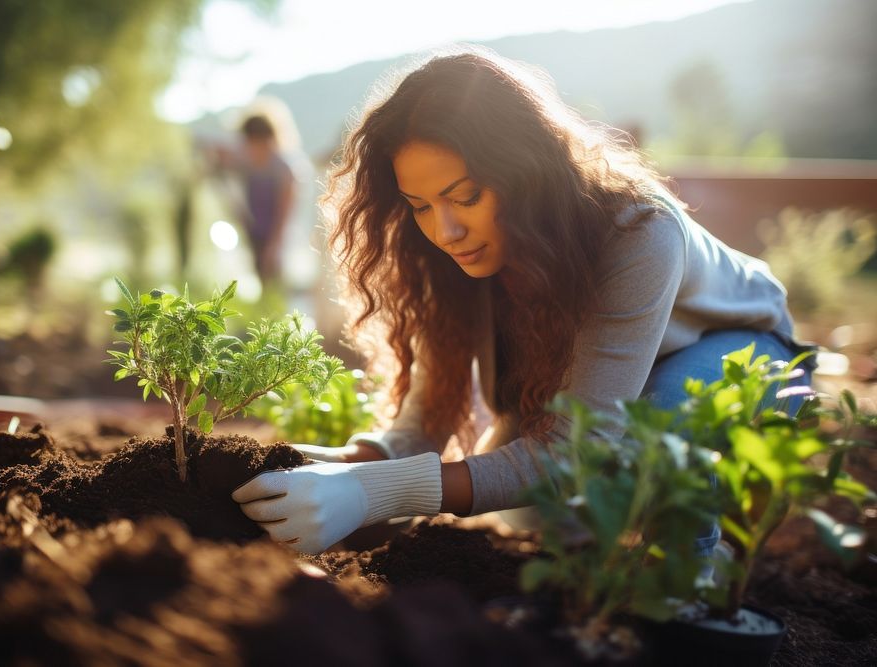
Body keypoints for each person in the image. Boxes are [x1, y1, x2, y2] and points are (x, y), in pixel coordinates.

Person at [232, 48, 815, 555]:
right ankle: (606, 542)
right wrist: (337, 466)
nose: (445, 230)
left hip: (740, 352)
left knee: (651, 440)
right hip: (611, 384)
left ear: (525, 171)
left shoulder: (636, 231)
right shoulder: (451, 256)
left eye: (466, 196)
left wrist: (373, 493)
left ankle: (694, 587)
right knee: (527, 508)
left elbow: (572, 452)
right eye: (420, 204)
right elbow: (425, 425)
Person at [210, 113, 296, 286]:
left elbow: (285, 211)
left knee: (273, 279)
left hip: (277, 235)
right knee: (260, 275)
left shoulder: (282, 169)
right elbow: (222, 160)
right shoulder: (247, 163)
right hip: (254, 230)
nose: (251, 148)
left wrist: (274, 244)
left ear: (267, 140)